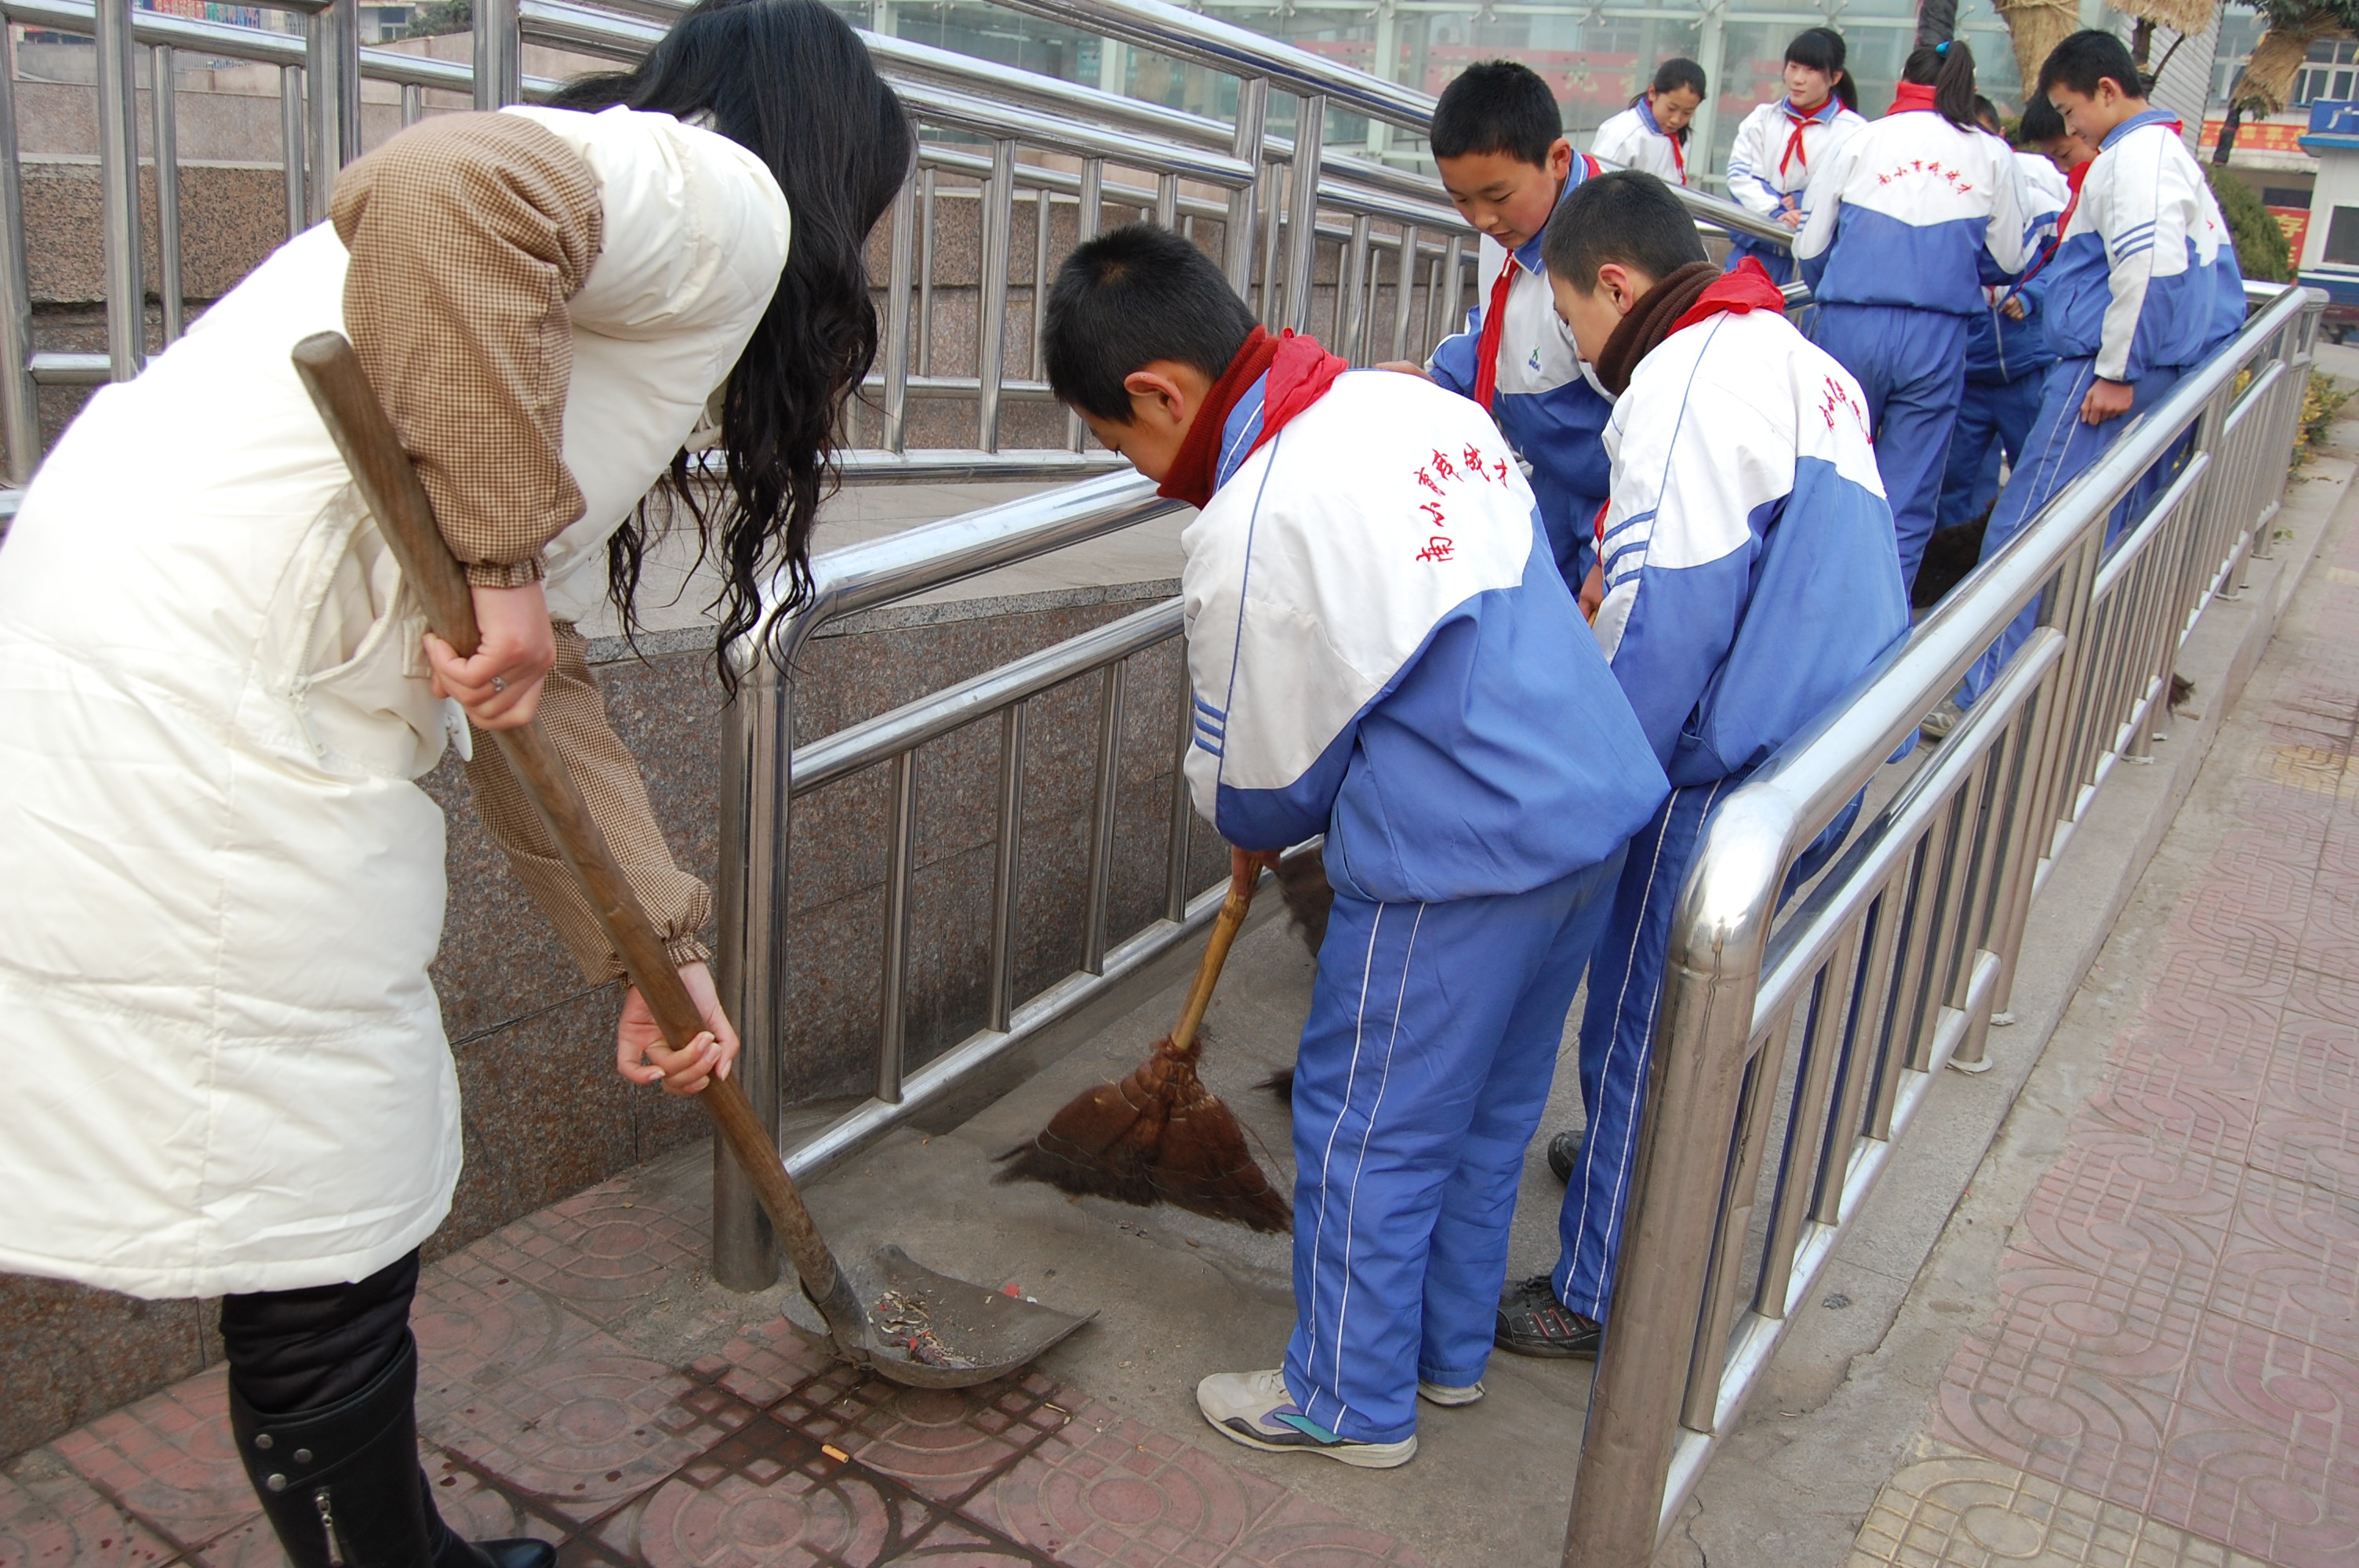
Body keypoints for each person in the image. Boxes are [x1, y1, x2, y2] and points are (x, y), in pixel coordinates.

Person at [0, 2, 911, 1563]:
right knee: (323, 1212)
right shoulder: (721, 191)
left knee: (307, 1211)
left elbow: (517, 674)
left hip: (127, 668)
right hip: (219, 727)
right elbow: (436, 184)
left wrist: (660, 949)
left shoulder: (533, 296)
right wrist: (493, 562)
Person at [1044, 224, 1668, 1466]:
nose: (1137, 469)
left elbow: (1260, 793)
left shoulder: (1250, 518)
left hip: (1459, 855)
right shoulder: (1411, 402)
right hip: (1589, 804)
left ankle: (1345, 1397)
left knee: (1365, 1128)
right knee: (1490, 1113)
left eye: (1122, 442)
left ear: (1159, 391)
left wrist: (1249, 812)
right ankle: (1443, 1358)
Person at [1493, 171, 1910, 1359]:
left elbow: (1666, 620)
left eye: (1572, 322)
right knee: (1701, 1021)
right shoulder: (1798, 359)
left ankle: (1602, 1285)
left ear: (1616, 285)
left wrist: (1587, 774)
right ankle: (1643, 1175)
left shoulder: (1681, 378)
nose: (1578, 352)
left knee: (1641, 1024)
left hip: (1729, 766)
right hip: (1828, 740)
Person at [1957, 30, 2245, 710]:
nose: (2070, 126)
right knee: (2101, 535)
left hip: (2103, 375)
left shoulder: (2137, 159)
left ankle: (1985, 695)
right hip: (2150, 369)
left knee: (2029, 530)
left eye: (2069, 110)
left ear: (2106, 92)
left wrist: (2116, 368)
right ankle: (2048, 688)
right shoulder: (2163, 153)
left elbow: (2150, 268)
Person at [1791, 40, 2049, 586]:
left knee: (1828, 475)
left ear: (1904, 79)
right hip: (1937, 335)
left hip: (1848, 326)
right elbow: (2009, 259)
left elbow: (1810, 249)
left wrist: (1845, 285)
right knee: (1906, 498)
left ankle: (1810, 615)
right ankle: (1882, 637)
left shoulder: (1861, 139)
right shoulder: (1991, 152)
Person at [1412, 60, 1615, 586]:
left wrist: (1610, 545)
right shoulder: (1510, 221)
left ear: (1557, 159)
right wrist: (1435, 381)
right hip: (1545, 469)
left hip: (1608, 491)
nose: (1481, 219)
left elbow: (1651, 422)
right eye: (1460, 199)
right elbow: (1496, 323)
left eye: (1496, 198)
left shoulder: (1605, 252)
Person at [1932, 97, 2074, 537]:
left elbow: (2066, 261)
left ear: (1999, 142)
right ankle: (1951, 582)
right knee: (1953, 483)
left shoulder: (2040, 199)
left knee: (2037, 481)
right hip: (1968, 372)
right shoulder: (1939, 201)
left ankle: (2025, 576)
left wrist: (2031, 295)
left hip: (2026, 369)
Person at [1724, 27, 1866, 286]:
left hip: (1811, 267)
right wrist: (1776, 210)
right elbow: (1739, 176)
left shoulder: (1853, 131)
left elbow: (1850, 192)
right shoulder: (1762, 119)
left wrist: (1806, 206)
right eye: (1793, 67)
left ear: (1835, 77)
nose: (1797, 79)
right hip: (1753, 255)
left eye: (1811, 71)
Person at [1590, 57, 1707, 186]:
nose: (1676, 120)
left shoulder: (1678, 136)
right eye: (1671, 108)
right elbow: (1599, 186)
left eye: (1687, 112)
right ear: (1652, 93)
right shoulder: (1623, 133)